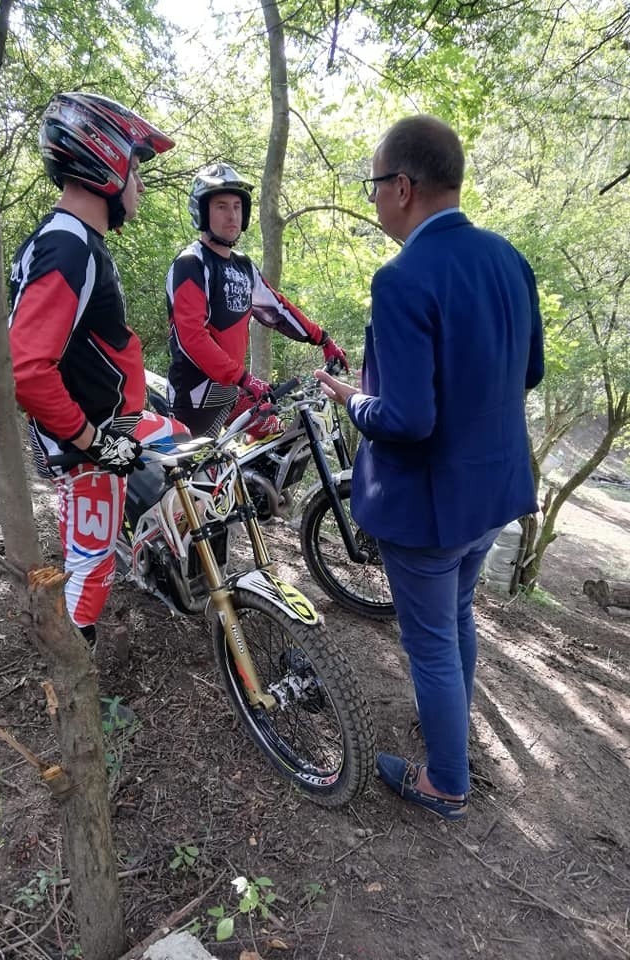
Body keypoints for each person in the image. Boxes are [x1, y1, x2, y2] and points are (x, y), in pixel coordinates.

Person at [316, 115, 544, 821]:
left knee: (432, 644)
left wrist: (355, 401)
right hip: (493, 494)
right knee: (458, 618)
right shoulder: (508, 257)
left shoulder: (403, 277)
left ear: (404, 187)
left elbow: (408, 421)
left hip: (431, 506)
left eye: (376, 184)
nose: (375, 197)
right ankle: (449, 731)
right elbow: (528, 370)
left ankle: (446, 782)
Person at [8, 92, 188, 652]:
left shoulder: (72, 241)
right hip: (87, 444)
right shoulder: (69, 248)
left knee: (181, 440)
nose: (139, 183)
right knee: (90, 570)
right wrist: (92, 443)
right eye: (136, 167)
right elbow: (30, 371)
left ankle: (145, 543)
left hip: (107, 427)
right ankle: (71, 686)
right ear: (105, 161)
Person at [165, 162, 349, 439]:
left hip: (233, 388)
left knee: (277, 440)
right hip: (196, 396)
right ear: (202, 211)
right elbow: (192, 337)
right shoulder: (191, 263)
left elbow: (278, 309)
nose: (232, 216)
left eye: (237, 207)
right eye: (222, 207)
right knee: (201, 479)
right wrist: (243, 378)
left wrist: (323, 339)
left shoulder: (243, 266)